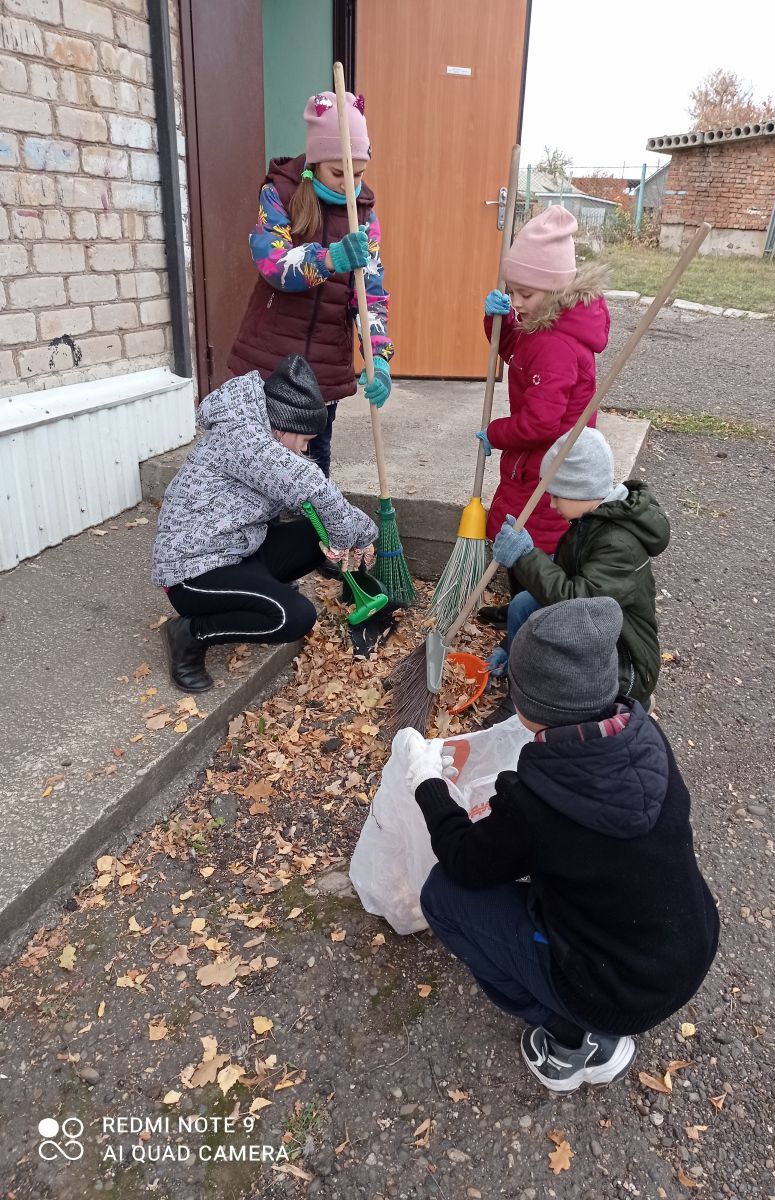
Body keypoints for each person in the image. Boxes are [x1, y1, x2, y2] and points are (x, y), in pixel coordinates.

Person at [404, 597, 720, 1093]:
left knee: (443, 895)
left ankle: (573, 1038)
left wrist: (428, 785)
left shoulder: (538, 803)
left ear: (530, 704)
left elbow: (464, 860)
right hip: (687, 948)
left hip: (615, 993)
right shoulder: (643, 733)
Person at [151, 355, 377, 692]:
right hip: (194, 571)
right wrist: (359, 535)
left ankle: (259, 592)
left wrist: (351, 534)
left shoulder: (260, 434)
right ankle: (190, 634)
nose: (305, 450)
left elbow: (310, 503)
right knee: (294, 618)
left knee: (315, 531)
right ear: (282, 427)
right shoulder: (245, 441)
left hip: (237, 550)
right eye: (304, 440)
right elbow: (313, 487)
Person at [228, 90, 393, 478]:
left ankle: (311, 521)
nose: (349, 184)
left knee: (313, 464)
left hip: (323, 367)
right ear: (316, 162)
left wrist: (379, 357)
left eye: (359, 174)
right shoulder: (279, 194)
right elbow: (271, 263)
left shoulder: (364, 218)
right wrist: (328, 259)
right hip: (270, 363)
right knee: (262, 467)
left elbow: (370, 295)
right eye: (339, 173)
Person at [475, 205, 610, 625]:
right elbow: (517, 352)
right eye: (512, 291)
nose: (516, 302)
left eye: (525, 294)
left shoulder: (557, 345)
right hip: (533, 461)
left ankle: (536, 622)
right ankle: (521, 608)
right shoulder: (543, 326)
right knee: (519, 535)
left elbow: (541, 422)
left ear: (554, 290)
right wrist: (498, 321)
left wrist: (495, 432)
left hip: (551, 467)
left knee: (534, 543)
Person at [484, 427, 670, 723]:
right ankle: (519, 685)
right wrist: (511, 647)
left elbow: (578, 604)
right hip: (594, 632)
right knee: (524, 604)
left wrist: (526, 556)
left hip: (623, 660)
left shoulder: (618, 544)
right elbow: (558, 590)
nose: (552, 504)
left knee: (556, 675)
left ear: (582, 490)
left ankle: (624, 705)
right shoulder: (588, 524)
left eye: (558, 495)